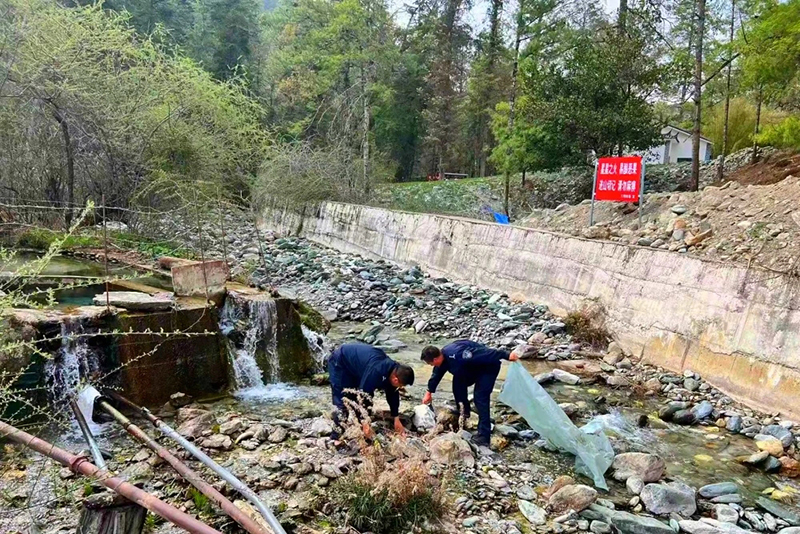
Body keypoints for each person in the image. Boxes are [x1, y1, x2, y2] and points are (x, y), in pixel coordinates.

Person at [421, 341, 518, 446]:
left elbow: (487, 353)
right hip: (470, 369)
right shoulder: (442, 359)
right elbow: (436, 374)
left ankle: (484, 436)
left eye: (430, 363)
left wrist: (507, 355)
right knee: (457, 386)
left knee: (480, 398)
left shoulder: (459, 354)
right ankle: (464, 413)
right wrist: (429, 392)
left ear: (435, 359)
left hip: (487, 368)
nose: (431, 365)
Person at [327, 342, 415, 440]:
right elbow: (363, 395)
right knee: (344, 401)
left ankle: (359, 429)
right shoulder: (376, 371)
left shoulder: (393, 370)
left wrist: (396, 418)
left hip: (356, 367)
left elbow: (392, 394)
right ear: (395, 379)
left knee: (356, 400)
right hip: (340, 361)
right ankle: (335, 439)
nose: (400, 387)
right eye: (401, 385)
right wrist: (365, 422)